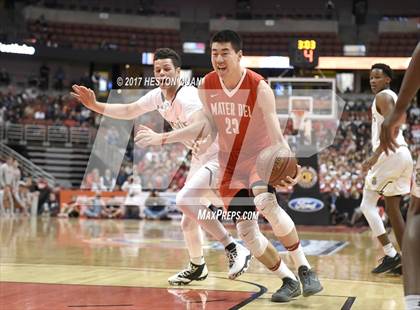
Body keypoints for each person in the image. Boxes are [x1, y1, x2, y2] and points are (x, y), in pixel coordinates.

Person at [135, 30, 322, 303]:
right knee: (247, 232)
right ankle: (288, 279)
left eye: (225, 53)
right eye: (214, 53)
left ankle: (304, 267)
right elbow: (208, 126)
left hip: (259, 156)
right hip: (230, 164)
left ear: (239, 56)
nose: (219, 58)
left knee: (267, 202)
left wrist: (288, 164)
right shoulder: (206, 86)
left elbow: (277, 135)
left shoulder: (259, 87)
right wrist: (194, 139)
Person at [70, 47, 251, 285]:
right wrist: (95, 106)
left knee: (184, 200)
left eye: (167, 69)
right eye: (158, 70)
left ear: (178, 72)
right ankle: (197, 266)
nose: (162, 73)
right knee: (188, 218)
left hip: (220, 155)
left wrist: (160, 138)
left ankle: (233, 247)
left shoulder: (187, 96)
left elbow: (200, 126)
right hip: (201, 157)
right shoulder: (158, 96)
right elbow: (129, 110)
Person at [359, 63, 413, 275]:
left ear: (388, 79)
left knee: (367, 204)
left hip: (389, 154)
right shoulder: (391, 96)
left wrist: (375, 154)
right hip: (402, 154)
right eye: (371, 77)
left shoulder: (382, 97)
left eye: (377, 77)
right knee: (393, 209)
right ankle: (409, 260)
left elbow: (392, 125)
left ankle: (391, 255)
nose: (373, 81)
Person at [380, 42, 420, 310]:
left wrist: (399, 109)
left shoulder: (385, 99)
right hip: (395, 154)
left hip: (395, 154)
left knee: (415, 212)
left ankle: (413, 301)